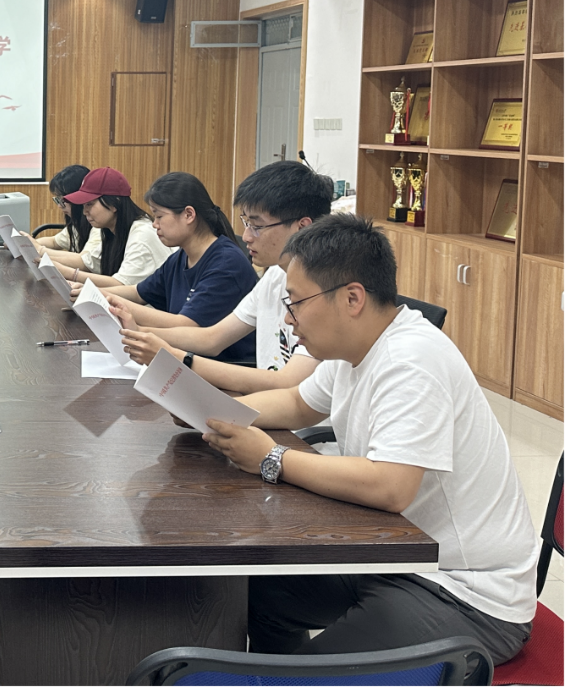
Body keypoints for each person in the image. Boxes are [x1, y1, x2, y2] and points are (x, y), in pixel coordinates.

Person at [200, 214, 536, 661]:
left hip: (464, 592)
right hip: (394, 556)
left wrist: (271, 457)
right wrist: (216, 412)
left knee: (301, 676)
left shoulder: (411, 360)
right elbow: (297, 403)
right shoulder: (353, 347)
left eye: (296, 301)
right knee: (261, 595)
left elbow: (391, 486)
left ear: (352, 298)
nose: (287, 317)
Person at [119, 160, 331, 393]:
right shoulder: (274, 276)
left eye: (257, 226)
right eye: (246, 223)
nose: (246, 236)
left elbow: (287, 384)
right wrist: (139, 334)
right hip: (265, 404)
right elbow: (212, 338)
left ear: (302, 227)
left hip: (282, 412)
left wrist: (175, 357)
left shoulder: (326, 292)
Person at [103, 171, 257, 364]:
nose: (155, 225)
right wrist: (94, 292)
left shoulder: (227, 263)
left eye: (159, 216)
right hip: (185, 362)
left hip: (222, 369)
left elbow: (186, 325)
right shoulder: (181, 257)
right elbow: (138, 292)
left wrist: (113, 304)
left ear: (189, 214)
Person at [39, 167, 172, 287]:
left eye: (89, 204)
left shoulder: (142, 234)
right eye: (83, 205)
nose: (84, 212)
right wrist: (44, 260)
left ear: (114, 203)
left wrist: (69, 273)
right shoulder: (110, 231)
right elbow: (88, 262)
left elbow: (121, 284)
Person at [32, 164, 92, 252]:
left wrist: (39, 250)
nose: (59, 206)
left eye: (63, 200)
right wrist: (30, 244)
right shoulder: (78, 224)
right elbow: (54, 242)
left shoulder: (98, 226)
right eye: (58, 200)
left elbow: (82, 259)